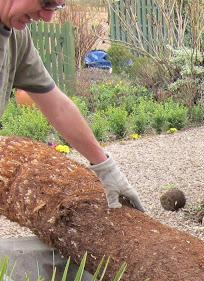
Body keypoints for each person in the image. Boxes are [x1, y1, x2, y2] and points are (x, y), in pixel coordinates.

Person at [0, 0, 144, 210]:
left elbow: (58, 107)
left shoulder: (17, 38)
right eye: (46, 3)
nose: (48, 17)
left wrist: (107, 169)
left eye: (56, 8)